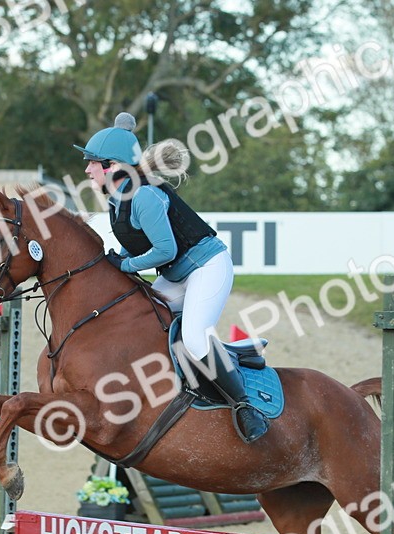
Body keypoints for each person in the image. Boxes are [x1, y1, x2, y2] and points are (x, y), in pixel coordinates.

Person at [74, 112, 269, 443]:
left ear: (112, 165)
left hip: (207, 268)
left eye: (92, 162)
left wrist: (125, 266)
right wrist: (117, 259)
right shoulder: (116, 198)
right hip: (178, 275)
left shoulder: (144, 195)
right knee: (143, 317)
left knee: (194, 338)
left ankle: (245, 407)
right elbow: (133, 242)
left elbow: (165, 250)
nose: (87, 169)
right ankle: (235, 353)